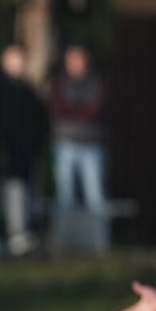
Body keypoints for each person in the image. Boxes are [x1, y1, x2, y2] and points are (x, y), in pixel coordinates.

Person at [0, 44, 48, 256]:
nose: (19, 65)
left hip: (23, 155)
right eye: (14, 60)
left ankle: (16, 235)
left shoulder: (29, 91)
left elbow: (39, 124)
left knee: (18, 193)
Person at [49, 44, 106, 214]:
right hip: (65, 143)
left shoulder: (96, 82)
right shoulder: (59, 83)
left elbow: (96, 108)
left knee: (95, 194)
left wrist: (74, 112)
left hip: (91, 143)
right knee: (65, 194)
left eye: (79, 59)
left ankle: (99, 237)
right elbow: (58, 108)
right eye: (72, 59)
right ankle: (65, 236)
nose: (75, 63)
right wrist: (80, 112)